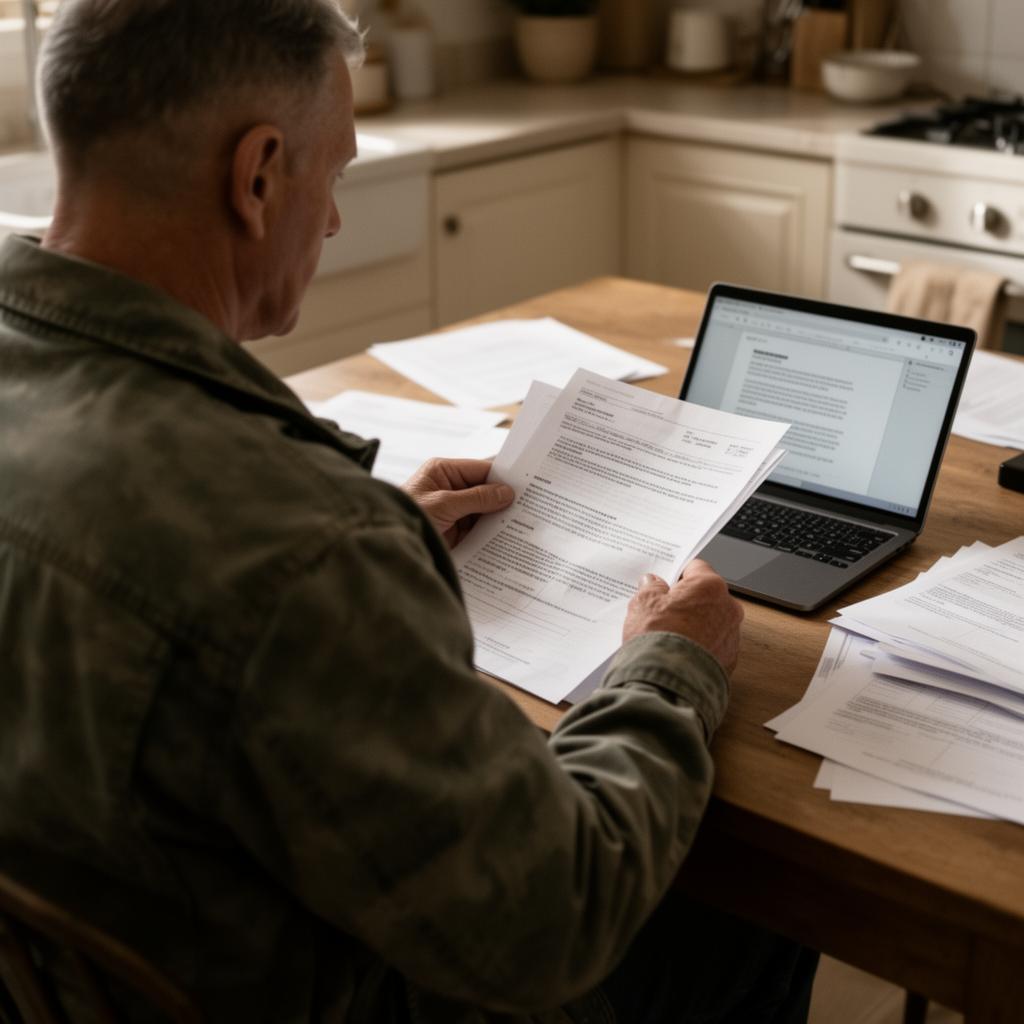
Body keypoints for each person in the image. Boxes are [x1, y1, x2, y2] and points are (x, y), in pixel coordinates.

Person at [0, 1, 817, 1021]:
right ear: (256, 176)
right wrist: (672, 661)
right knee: (746, 887)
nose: (333, 218)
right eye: (333, 173)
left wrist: (367, 539)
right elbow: (555, 912)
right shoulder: (295, 548)